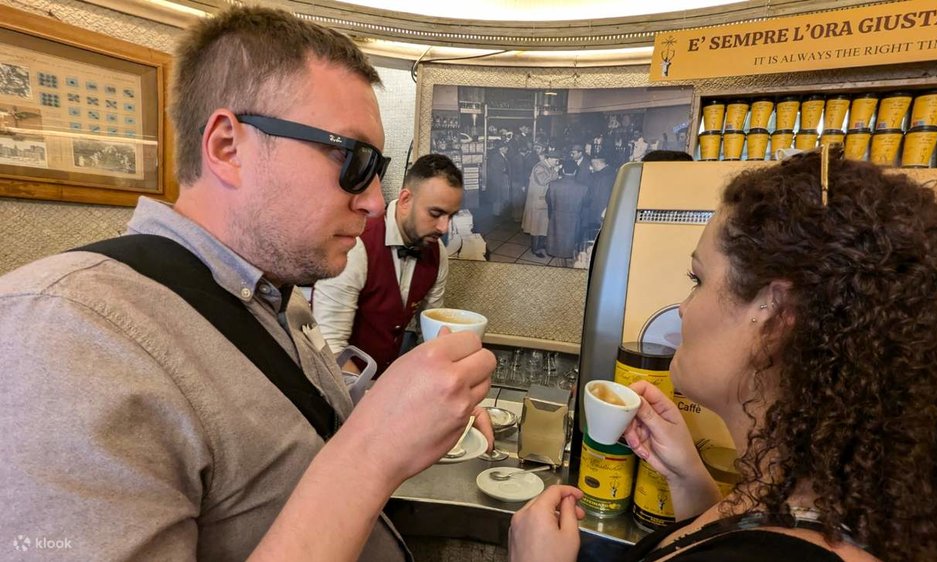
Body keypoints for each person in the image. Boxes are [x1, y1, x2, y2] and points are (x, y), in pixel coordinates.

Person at [0, 7, 495, 561]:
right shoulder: (58, 335)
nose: (374, 202)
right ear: (227, 148)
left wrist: (410, 405)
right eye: (351, 157)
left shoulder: (275, 295)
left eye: (377, 169)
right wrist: (374, 448)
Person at [511, 149, 937, 562]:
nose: (683, 308)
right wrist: (690, 482)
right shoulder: (840, 503)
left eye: (698, 280)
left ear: (774, 312)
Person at [311, 153, 463, 377]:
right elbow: (330, 346)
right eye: (435, 213)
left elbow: (432, 332)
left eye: (451, 216)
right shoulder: (356, 244)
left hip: (386, 376)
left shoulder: (437, 252)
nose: (444, 228)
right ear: (405, 200)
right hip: (340, 382)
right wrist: (367, 392)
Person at [545, 159, 588, 266]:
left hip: (557, 217)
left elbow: (548, 200)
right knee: (571, 243)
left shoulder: (553, 184)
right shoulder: (583, 187)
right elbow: (586, 203)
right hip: (574, 218)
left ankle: (560, 264)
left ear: (563, 170)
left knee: (557, 242)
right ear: (575, 171)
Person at [522, 148, 561, 257]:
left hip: (543, 201)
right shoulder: (539, 167)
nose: (557, 162)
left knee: (543, 225)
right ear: (549, 158)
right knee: (536, 227)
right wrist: (556, 172)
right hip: (537, 202)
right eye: (556, 160)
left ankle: (540, 245)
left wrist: (554, 171)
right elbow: (543, 181)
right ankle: (535, 249)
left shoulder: (547, 166)